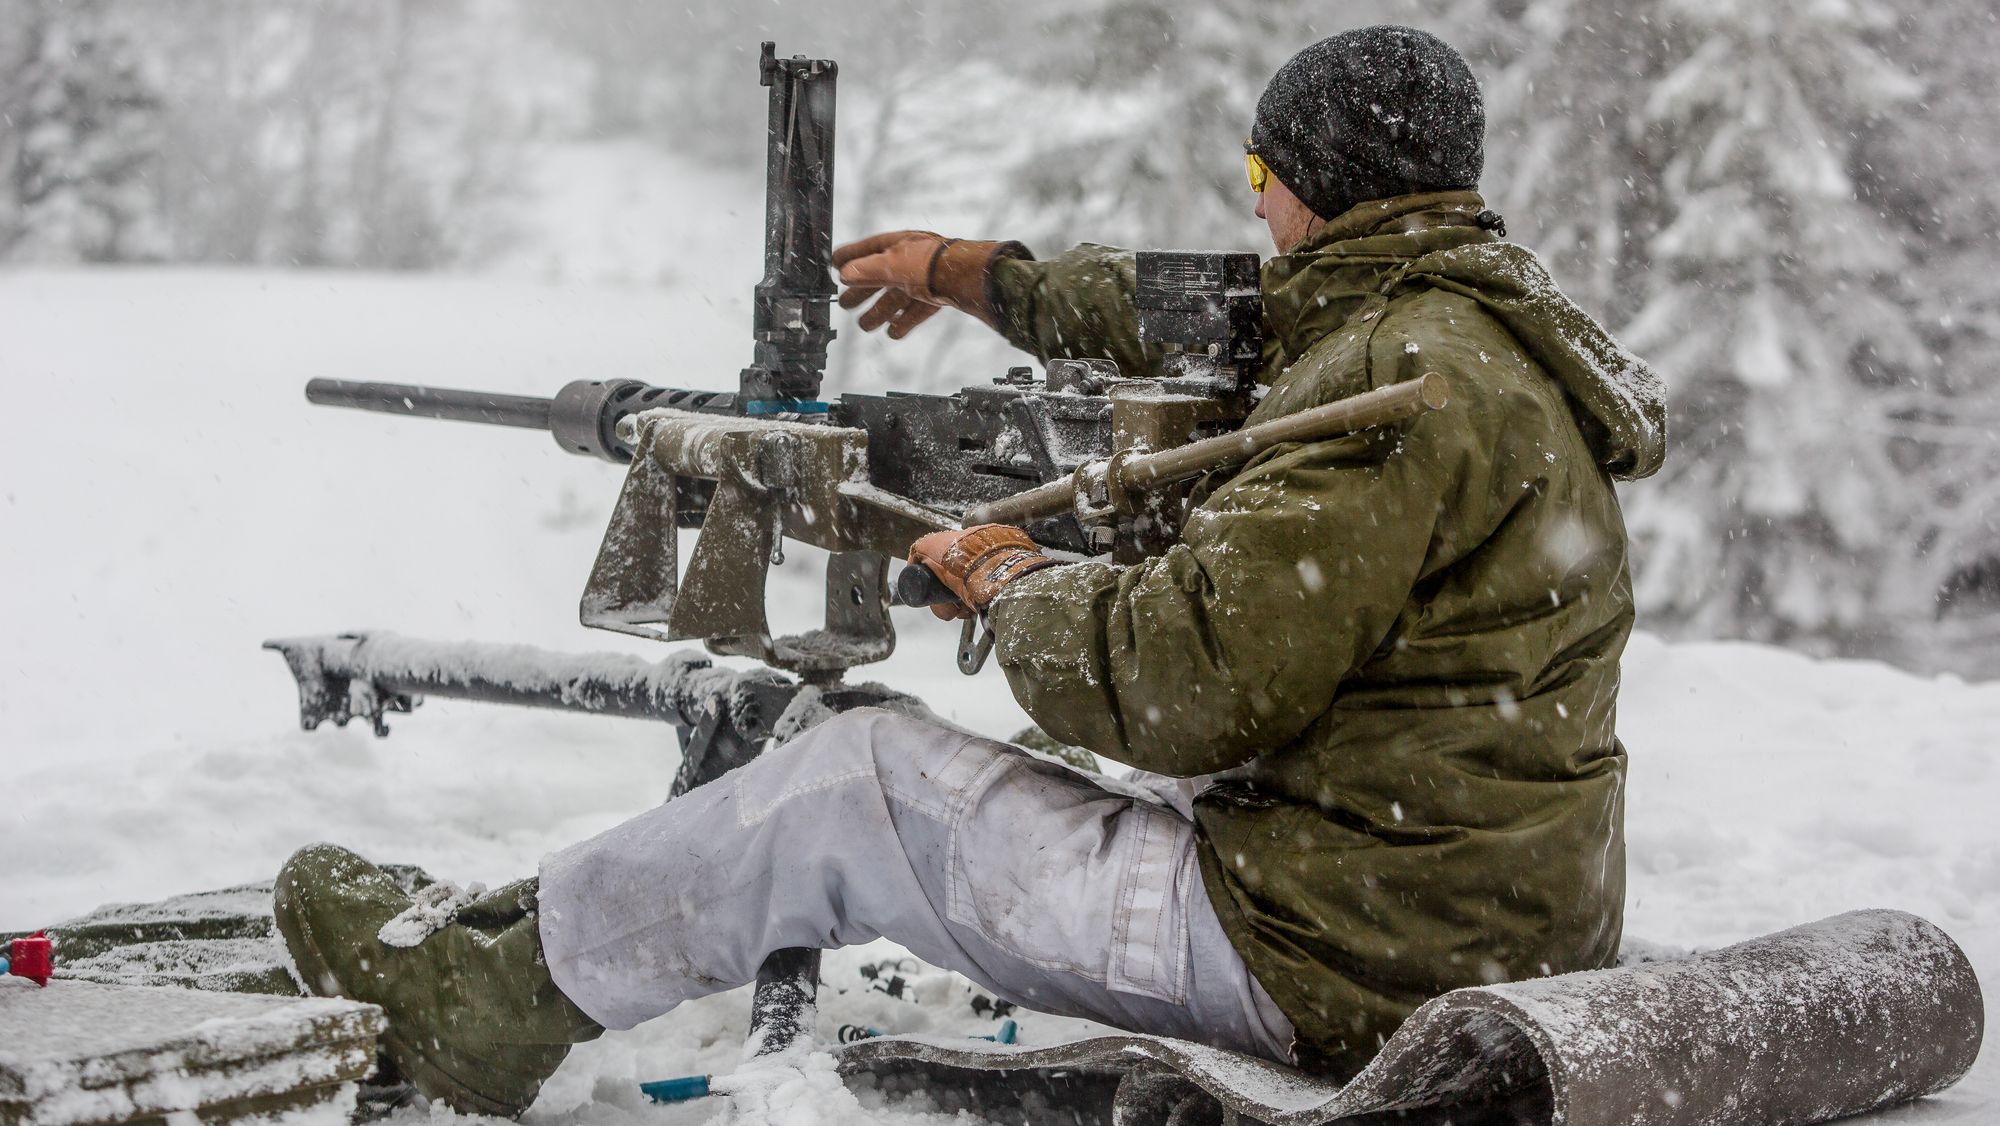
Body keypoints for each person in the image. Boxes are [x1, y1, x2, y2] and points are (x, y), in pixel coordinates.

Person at [272, 25, 1666, 1116]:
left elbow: (1180, 686)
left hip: (1342, 960)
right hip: (1472, 910)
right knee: (902, 776)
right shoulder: (1464, 327)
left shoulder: (1381, 383)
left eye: (1259, 181)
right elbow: (1205, 316)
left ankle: (488, 1002)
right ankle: (535, 921)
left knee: (853, 782)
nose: (1255, 213)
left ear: (1323, 184)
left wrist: (1011, 576)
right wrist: (973, 273)